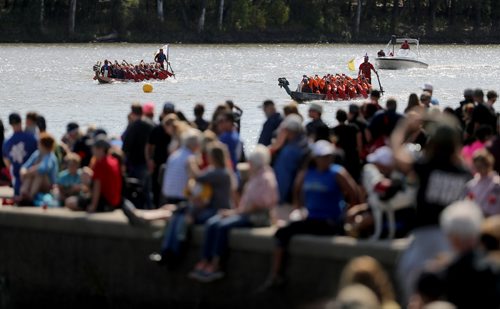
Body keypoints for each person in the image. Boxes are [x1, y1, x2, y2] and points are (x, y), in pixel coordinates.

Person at [392, 113, 472, 301]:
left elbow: (397, 155)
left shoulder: (427, 166)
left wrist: (403, 128)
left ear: (433, 142)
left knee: (414, 297)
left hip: (423, 241)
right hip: (450, 243)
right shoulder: (464, 172)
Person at [265, 140, 358, 287]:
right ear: (315, 158)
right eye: (322, 157)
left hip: (330, 221)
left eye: (328, 156)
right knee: (281, 233)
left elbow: (354, 194)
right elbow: (297, 192)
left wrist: (348, 213)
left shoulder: (337, 173)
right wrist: (301, 208)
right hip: (312, 218)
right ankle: (276, 274)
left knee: (291, 230)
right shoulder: (307, 173)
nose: (326, 160)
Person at [189, 145, 278, 282]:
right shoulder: (256, 176)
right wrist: (234, 212)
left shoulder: (266, 178)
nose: (248, 165)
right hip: (245, 213)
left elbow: (259, 205)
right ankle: (205, 259)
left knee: (222, 226)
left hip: (256, 217)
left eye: (250, 162)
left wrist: (234, 213)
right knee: (212, 222)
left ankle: (216, 265)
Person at [66, 137, 122, 212]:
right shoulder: (114, 160)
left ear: (101, 149)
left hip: (105, 202)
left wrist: (93, 206)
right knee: (86, 172)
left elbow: (97, 185)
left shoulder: (100, 163)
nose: (92, 150)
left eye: (94, 148)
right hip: (114, 202)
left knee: (69, 202)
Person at [271, 115, 310, 204]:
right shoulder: (307, 145)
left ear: (287, 132)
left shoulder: (289, 152)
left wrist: (279, 202)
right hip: (307, 200)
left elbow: (283, 180)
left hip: (290, 200)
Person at [122, 103, 154, 208]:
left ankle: (139, 210)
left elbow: (126, 146)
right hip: (150, 162)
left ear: (132, 113)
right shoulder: (151, 124)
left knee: (137, 189)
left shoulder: (133, 126)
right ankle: (150, 208)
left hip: (136, 163)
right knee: (148, 190)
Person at [2, 113, 38, 199]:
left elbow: (7, 163)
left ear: (10, 124)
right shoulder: (32, 138)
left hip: (17, 183)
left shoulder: (7, 142)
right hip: (32, 181)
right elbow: (39, 157)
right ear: (21, 122)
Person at [161, 130, 201, 204]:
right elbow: (197, 177)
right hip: (180, 197)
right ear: (195, 145)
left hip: (167, 195)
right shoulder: (190, 157)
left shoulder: (174, 155)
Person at [146, 102, 175, 208]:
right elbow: (149, 147)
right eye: (166, 112)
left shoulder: (178, 130)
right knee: (156, 188)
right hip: (158, 163)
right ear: (162, 113)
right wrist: (149, 160)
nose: (167, 115)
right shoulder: (157, 129)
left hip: (172, 164)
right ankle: (157, 207)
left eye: (169, 112)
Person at [19, 133, 58, 203]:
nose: (37, 145)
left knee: (39, 174)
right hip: (35, 180)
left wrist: (28, 172)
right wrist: (23, 172)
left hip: (48, 185)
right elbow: (25, 166)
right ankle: (23, 194)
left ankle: (31, 196)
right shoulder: (37, 154)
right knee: (29, 176)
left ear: (44, 145)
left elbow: (43, 169)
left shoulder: (51, 157)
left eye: (39, 143)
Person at [465, 150, 500, 217]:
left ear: (489, 164)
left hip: (494, 220)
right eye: (477, 166)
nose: (479, 169)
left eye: (482, 166)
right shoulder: (471, 184)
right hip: (476, 218)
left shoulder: (497, 183)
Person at [332, 109, 361, 182]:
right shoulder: (354, 127)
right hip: (353, 156)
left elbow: (333, 145)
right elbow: (359, 143)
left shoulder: (333, 130)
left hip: (341, 158)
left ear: (336, 118)